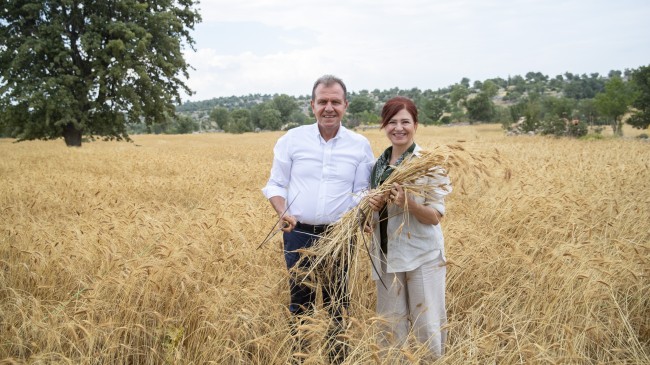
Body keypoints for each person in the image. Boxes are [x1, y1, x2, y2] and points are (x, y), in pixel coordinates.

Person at [262, 75, 374, 362]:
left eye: (335, 102)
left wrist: (361, 215)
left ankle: (337, 359)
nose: (329, 108)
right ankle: (300, 359)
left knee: (339, 304)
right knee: (301, 303)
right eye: (322, 101)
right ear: (312, 105)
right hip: (299, 234)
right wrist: (281, 210)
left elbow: (362, 191)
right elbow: (275, 185)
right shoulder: (292, 139)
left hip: (340, 234)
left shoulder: (359, 145)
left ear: (345, 105)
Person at [366, 96, 451, 359]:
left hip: (421, 255)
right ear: (384, 126)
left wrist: (408, 203)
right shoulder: (377, 166)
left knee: (427, 324)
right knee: (391, 328)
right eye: (392, 122)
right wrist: (369, 206)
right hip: (385, 257)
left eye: (405, 121)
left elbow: (435, 216)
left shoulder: (430, 163)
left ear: (416, 124)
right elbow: (371, 219)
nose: (398, 128)